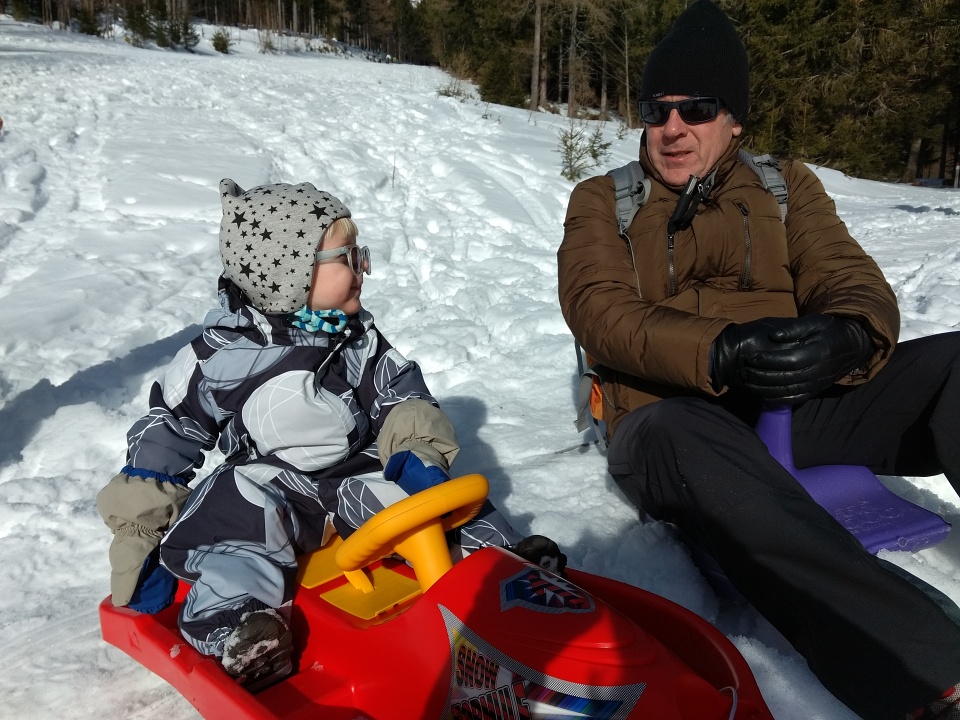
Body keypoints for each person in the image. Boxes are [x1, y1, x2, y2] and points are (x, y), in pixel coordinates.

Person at [558, 2, 960, 719]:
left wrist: (850, 334)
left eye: (696, 109)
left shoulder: (785, 187)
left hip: (788, 403)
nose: (673, 128)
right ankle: (931, 676)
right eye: (656, 110)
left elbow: (847, 275)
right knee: (693, 440)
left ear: (734, 119)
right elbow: (599, 310)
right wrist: (716, 350)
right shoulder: (603, 201)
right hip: (670, 422)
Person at [98, 178, 566, 690]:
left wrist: (416, 452)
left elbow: (398, 394)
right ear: (290, 272)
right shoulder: (216, 358)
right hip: (272, 483)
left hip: (352, 472)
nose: (363, 267)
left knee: (430, 506)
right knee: (230, 523)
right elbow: (167, 433)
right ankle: (242, 629)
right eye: (348, 257)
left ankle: (506, 570)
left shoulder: (355, 337)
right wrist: (138, 534)